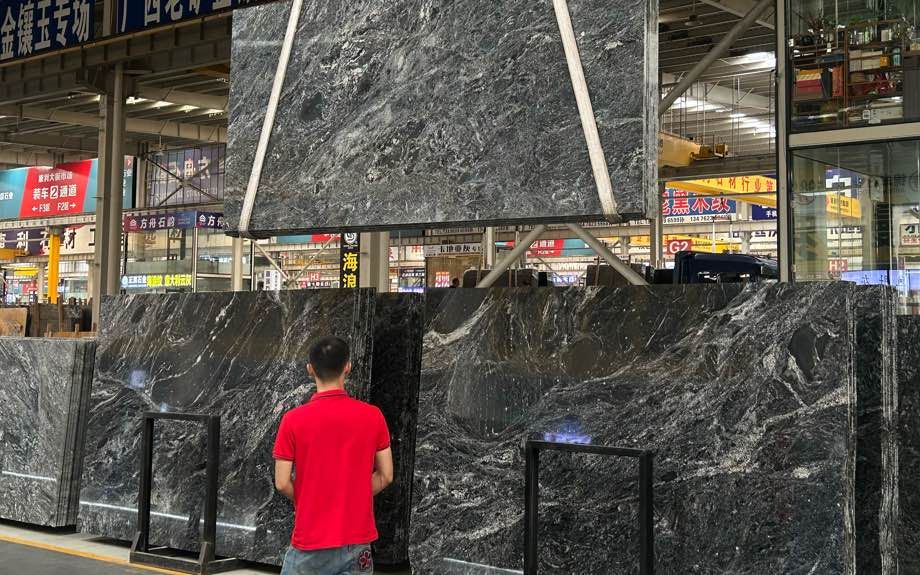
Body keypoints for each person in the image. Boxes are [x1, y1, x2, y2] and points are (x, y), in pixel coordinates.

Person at [273, 336, 394, 575]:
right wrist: (351, 496)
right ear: (347, 367)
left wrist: (311, 499)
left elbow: (282, 482)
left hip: (310, 540)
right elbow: (386, 476)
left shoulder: (293, 420)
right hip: (357, 543)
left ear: (310, 369)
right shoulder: (373, 416)